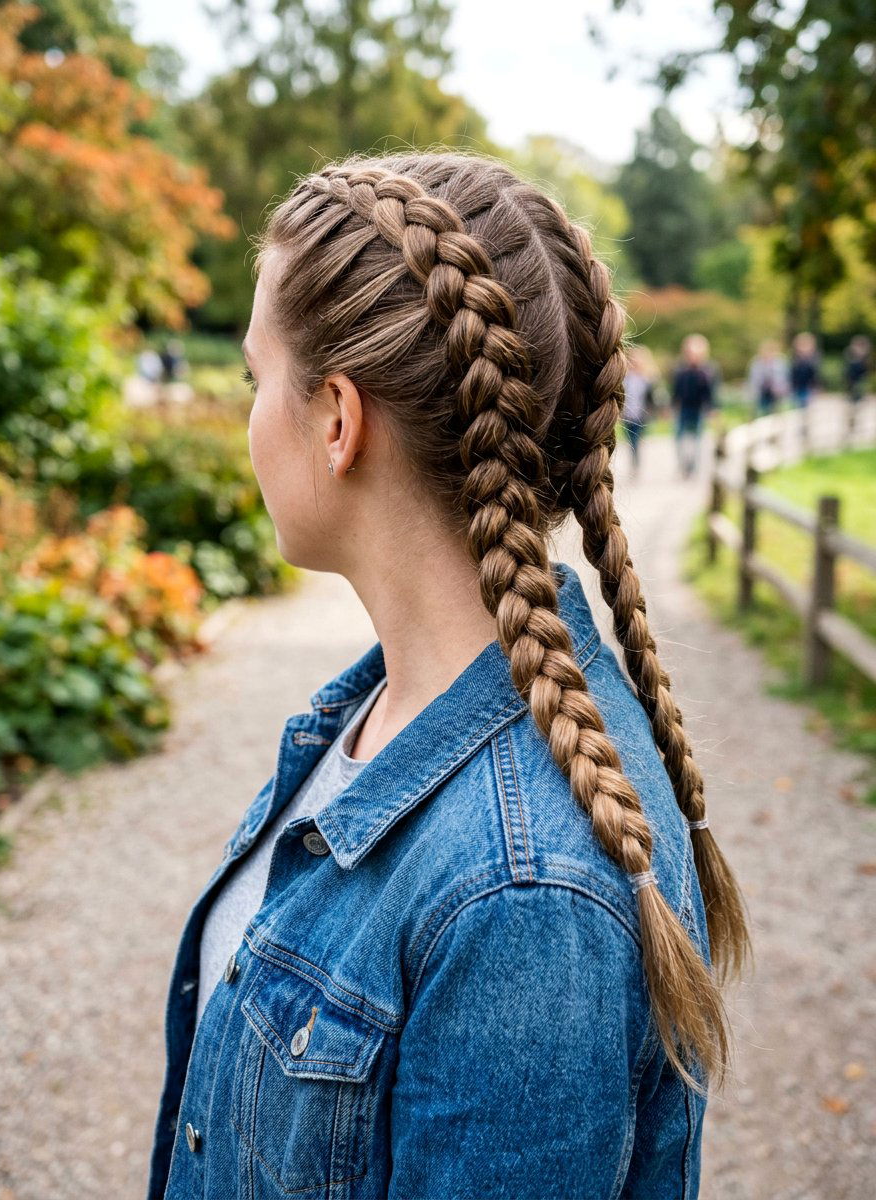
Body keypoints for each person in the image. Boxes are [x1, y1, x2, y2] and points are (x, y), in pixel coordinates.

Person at [146, 152, 750, 1200]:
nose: (249, 414)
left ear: (337, 419)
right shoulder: (378, 710)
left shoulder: (522, 899)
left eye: (256, 379)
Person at [671, 333, 719, 478]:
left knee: (697, 439)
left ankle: (693, 468)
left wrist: (713, 408)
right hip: (684, 408)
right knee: (679, 437)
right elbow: (676, 390)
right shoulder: (680, 370)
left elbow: (711, 392)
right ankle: (683, 465)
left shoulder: (708, 370)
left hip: (699, 409)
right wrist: (672, 405)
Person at [620, 343, 660, 477]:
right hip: (627, 414)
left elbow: (652, 399)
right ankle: (634, 463)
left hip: (641, 415)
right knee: (631, 441)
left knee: (636, 441)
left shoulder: (648, 379)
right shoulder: (625, 377)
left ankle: (635, 466)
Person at [746, 338, 789, 416]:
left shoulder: (780, 362)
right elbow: (753, 379)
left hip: (776, 392)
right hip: (762, 391)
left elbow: (784, 378)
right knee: (763, 412)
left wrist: (781, 389)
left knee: (776, 412)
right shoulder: (756, 363)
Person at [788, 331, 820, 408]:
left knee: (807, 406)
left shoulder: (813, 359)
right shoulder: (794, 358)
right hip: (797, 387)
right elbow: (792, 374)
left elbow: (815, 374)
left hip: (809, 387)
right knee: (797, 406)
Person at [843, 334, 871, 404]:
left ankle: (858, 398)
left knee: (859, 388)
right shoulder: (850, 351)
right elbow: (848, 363)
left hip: (860, 374)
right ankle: (853, 399)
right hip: (852, 374)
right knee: (852, 388)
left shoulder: (865, 353)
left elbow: (866, 365)